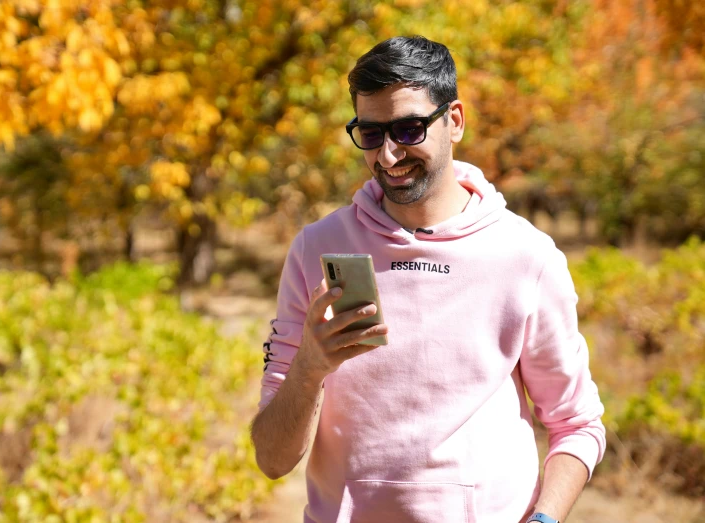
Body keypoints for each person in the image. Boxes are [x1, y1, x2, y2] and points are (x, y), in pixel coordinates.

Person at [250, 35, 605, 523]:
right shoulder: (317, 248)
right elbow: (271, 460)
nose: (389, 156)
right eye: (371, 134)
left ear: (454, 121)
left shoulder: (526, 256)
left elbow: (577, 424)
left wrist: (544, 519)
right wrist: (310, 367)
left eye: (409, 129)